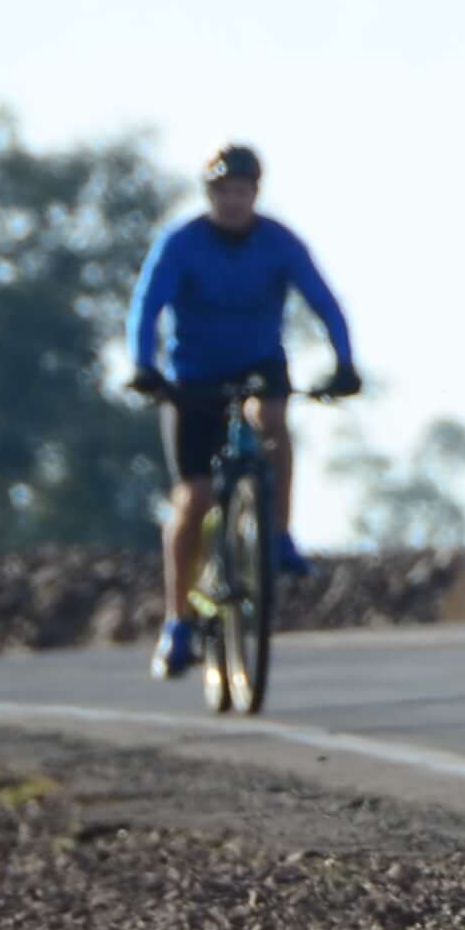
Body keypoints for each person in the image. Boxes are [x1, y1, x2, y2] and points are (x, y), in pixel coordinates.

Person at [122, 144, 358, 681]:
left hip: (258, 364)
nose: (233, 202)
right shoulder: (180, 244)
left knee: (271, 418)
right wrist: (143, 365)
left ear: (255, 194)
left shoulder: (278, 242)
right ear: (210, 196)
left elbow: (323, 300)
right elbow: (147, 305)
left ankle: (277, 534)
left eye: (243, 192)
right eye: (224, 192)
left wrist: (345, 363)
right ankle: (177, 622)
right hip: (193, 376)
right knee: (195, 496)